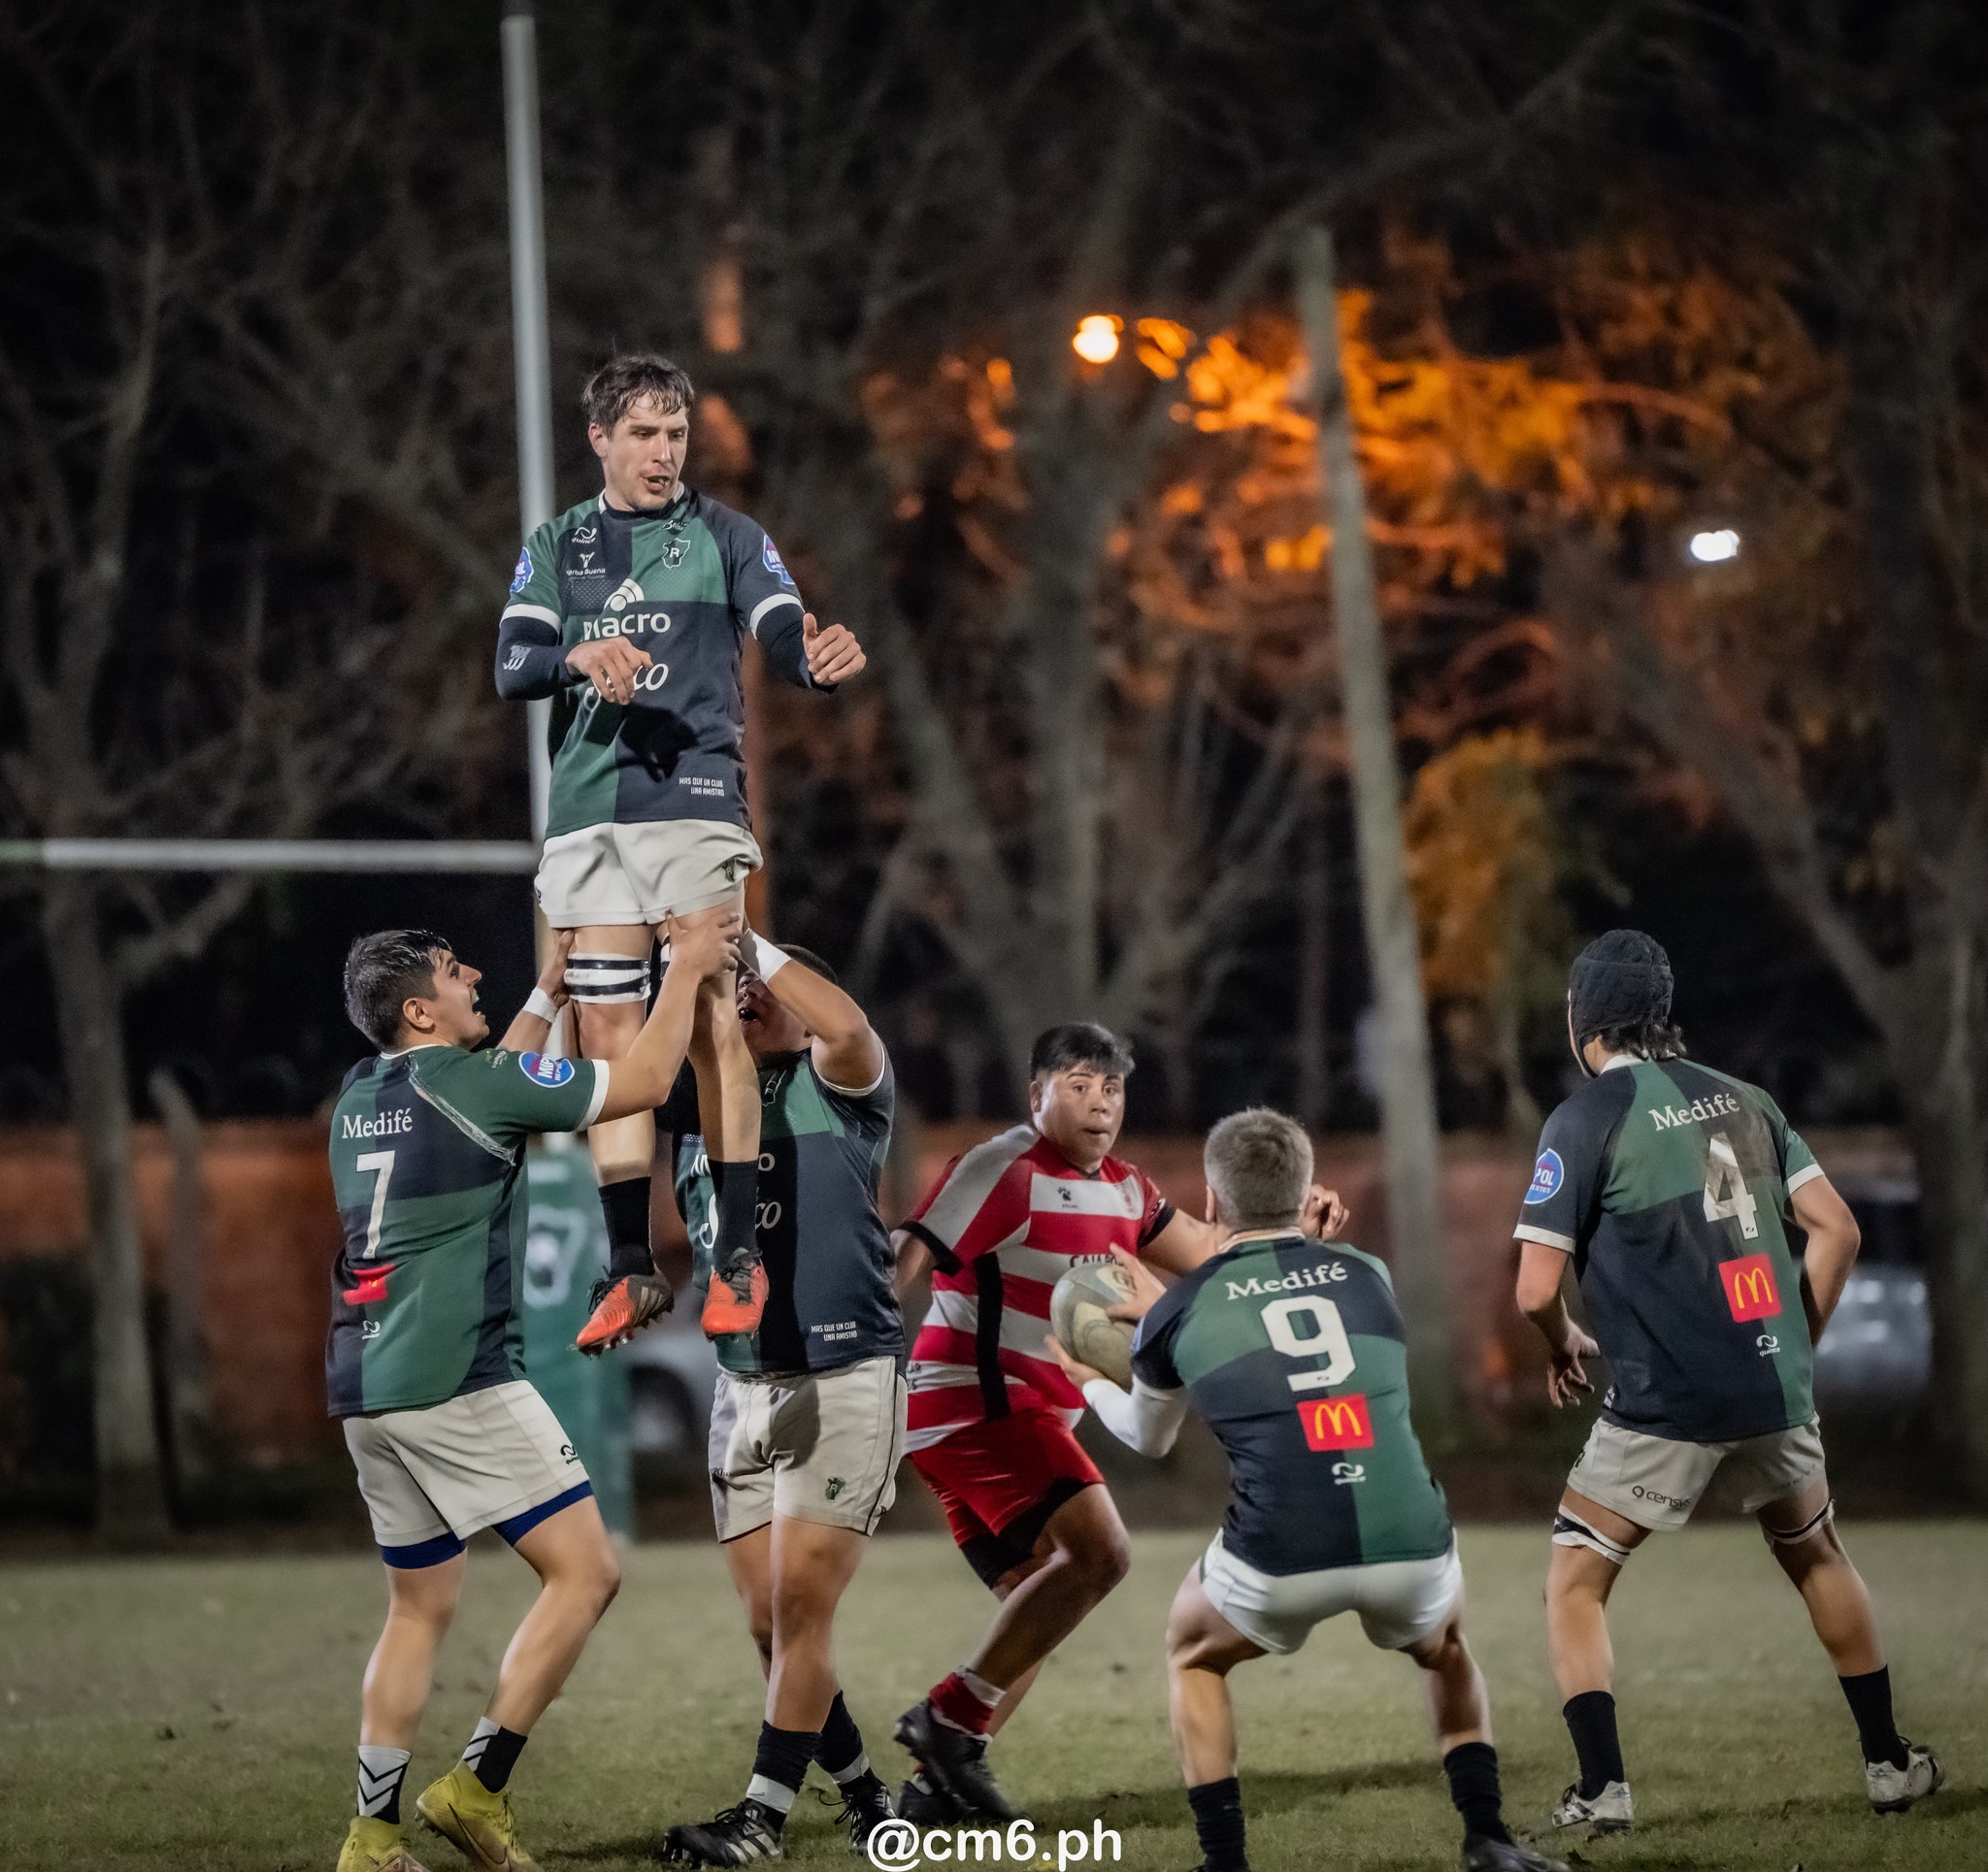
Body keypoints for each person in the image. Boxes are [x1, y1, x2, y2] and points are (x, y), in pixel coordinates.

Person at [328, 913, 738, 1872]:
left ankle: (369, 1836)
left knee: (418, 1608)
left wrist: (546, 991)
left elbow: (494, 1092)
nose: (473, 973)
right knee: (587, 1572)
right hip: (452, 1373)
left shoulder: (361, 1094)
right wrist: (682, 973)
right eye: (451, 970)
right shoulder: (476, 1087)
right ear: (422, 1010)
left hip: (364, 1381)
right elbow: (636, 1085)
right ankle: (475, 1786)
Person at [1054, 1108, 1566, 1872]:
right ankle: (1488, 1837)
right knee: (1447, 1647)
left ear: (1214, 1203)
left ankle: (1225, 1860)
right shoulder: (1370, 1271)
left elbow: (1148, 1436)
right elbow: (1301, 1301)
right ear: (1303, 1194)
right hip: (1409, 1541)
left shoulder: (1178, 1310)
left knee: (1193, 1651)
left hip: (1277, 1555)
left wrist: (1089, 1379)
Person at [1513, 929, 1942, 1835]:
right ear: (1660, 1014)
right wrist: (1797, 1339)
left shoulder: (1585, 1118)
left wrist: (1561, 1342)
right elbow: (1839, 1231)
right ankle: (1890, 1763)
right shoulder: (1747, 1099)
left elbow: (1533, 1290)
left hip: (1666, 1402)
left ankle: (1603, 1788)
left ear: (1583, 1018)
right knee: (1817, 1551)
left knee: (1574, 1582)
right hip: (1769, 1388)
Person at [493, 352, 868, 1350]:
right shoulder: (558, 545)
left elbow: (782, 626)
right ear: (601, 439)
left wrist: (812, 658)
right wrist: (578, 655)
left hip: (693, 801)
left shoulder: (727, 536)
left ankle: (733, 1256)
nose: (663, 453)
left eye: (675, 435)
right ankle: (628, 1267)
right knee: (609, 1040)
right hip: (586, 813)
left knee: (709, 1013)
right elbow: (511, 663)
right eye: (644, 434)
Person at [887, 1023, 1240, 1821]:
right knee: (1103, 1553)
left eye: (1111, 1088)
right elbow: (911, 1243)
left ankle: (932, 1792)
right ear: (1036, 1092)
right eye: (1078, 1083)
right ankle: (948, 1717)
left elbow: (1209, 1255)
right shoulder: (1004, 1165)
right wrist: (864, 1321)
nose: (1099, 1102)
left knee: (1038, 1602)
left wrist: (1286, 1236)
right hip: (975, 1405)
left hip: (1026, 1418)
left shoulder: (1127, 1188)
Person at [655, 936, 904, 1864]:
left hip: (842, 1374)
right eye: (743, 985)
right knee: (771, 1626)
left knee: (801, 1612)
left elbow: (845, 1020)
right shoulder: (703, 1104)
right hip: (740, 1382)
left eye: (770, 983)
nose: (753, 992)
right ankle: (866, 1791)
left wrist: (741, 937)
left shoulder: (842, 1082)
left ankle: (758, 1819)